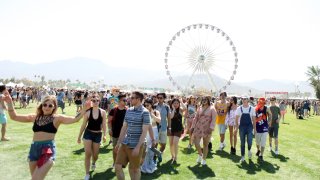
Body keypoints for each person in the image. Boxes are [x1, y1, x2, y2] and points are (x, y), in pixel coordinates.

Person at [3, 93, 91, 180]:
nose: (47, 107)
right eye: (45, 105)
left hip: (47, 150)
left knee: (35, 179)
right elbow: (14, 117)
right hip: (34, 149)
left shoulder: (57, 118)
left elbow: (75, 119)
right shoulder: (35, 117)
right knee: (35, 177)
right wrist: (10, 102)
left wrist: (84, 109)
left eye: (50, 105)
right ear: (42, 106)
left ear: (54, 107)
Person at [115, 91, 150, 180]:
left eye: (132, 98)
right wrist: (119, 142)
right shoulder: (129, 110)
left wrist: (138, 147)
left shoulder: (145, 112)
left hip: (136, 144)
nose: (129, 99)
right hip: (125, 142)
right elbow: (124, 127)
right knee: (117, 166)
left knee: (134, 169)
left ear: (138, 99)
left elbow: (144, 132)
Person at [78, 94, 107, 180]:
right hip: (88, 134)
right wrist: (79, 136)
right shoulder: (88, 112)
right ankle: (87, 174)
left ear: (99, 101)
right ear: (91, 102)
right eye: (93, 101)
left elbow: (104, 124)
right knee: (88, 154)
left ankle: (94, 162)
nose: (95, 102)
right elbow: (83, 125)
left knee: (95, 155)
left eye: (97, 101)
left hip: (98, 134)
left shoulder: (103, 112)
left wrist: (105, 135)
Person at [192, 96, 216, 165]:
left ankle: (204, 159)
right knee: (196, 143)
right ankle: (200, 154)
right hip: (198, 127)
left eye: (205, 99)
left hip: (207, 128)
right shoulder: (199, 108)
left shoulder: (212, 109)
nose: (204, 101)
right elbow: (196, 118)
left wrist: (211, 128)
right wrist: (192, 126)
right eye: (203, 99)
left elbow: (214, 119)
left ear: (208, 100)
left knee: (205, 144)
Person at [141, 98, 161, 173]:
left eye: (148, 105)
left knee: (152, 149)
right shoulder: (143, 111)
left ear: (151, 104)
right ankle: (143, 166)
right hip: (145, 131)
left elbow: (159, 120)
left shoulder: (156, 112)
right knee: (145, 148)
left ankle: (150, 164)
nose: (146, 106)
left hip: (154, 130)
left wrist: (152, 114)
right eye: (145, 105)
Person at [234, 95, 256, 163]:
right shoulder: (239, 108)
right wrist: (236, 128)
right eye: (242, 99)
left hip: (250, 127)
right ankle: (242, 156)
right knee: (242, 142)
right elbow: (236, 119)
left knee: (250, 141)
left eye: (245, 99)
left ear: (248, 100)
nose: (243, 100)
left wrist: (255, 130)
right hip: (242, 127)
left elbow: (254, 120)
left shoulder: (252, 108)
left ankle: (249, 150)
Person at [108, 94, 128, 167]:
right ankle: (115, 162)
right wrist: (109, 129)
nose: (126, 101)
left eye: (126, 100)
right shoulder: (114, 110)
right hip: (115, 132)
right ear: (119, 101)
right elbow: (109, 121)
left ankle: (121, 162)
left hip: (125, 134)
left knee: (124, 149)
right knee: (115, 149)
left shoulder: (128, 110)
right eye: (124, 100)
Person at [168, 98, 186, 164]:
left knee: (175, 143)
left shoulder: (180, 110)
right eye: (174, 103)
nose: (176, 104)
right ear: (172, 104)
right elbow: (171, 117)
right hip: (171, 128)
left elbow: (185, 108)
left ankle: (176, 157)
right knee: (171, 144)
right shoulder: (170, 110)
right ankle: (172, 156)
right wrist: (173, 109)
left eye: (177, 103)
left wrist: (181, 101)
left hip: (178, 128)